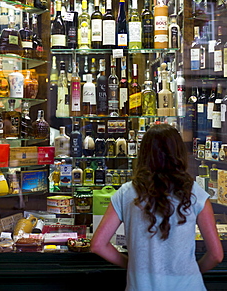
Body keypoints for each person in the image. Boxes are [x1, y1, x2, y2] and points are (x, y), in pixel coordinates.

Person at [91, 124, 223, 290]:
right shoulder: (195, 193)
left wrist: (132, 265)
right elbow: (216, 255)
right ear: (179, 153)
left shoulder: (126, 193)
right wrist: (193, 272)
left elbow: (97, 245)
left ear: (144, 153)